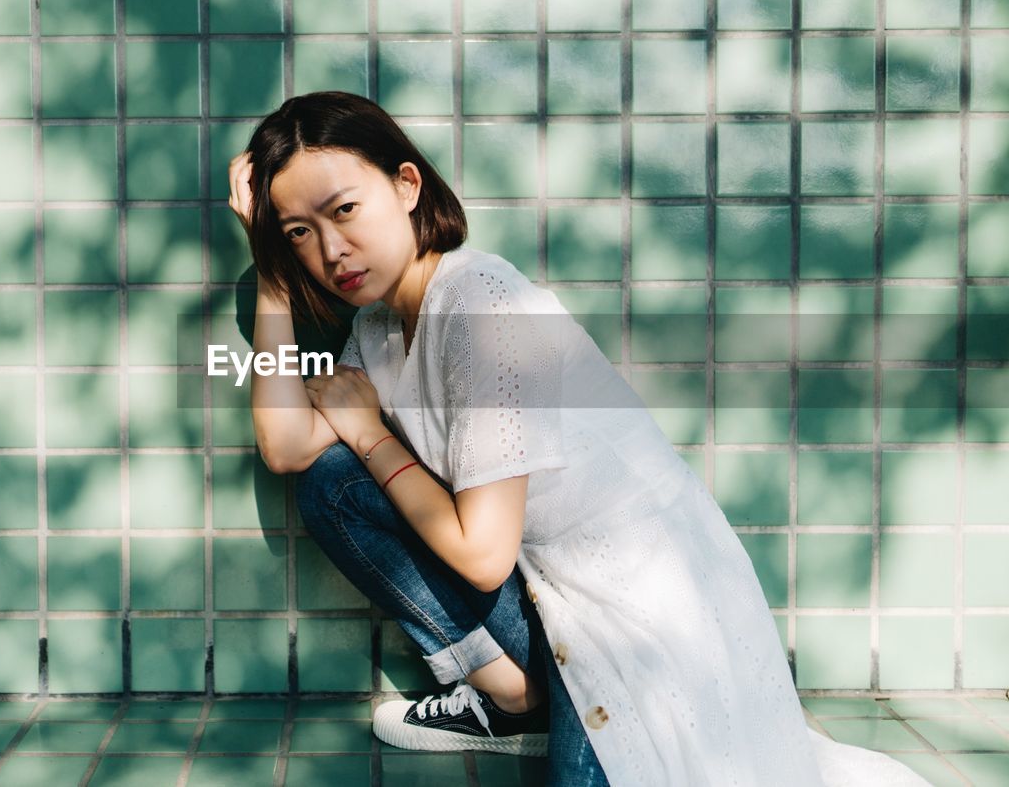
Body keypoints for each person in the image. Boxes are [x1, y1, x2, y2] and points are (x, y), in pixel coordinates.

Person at [228, 91, 930, 786]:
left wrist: (370, 431)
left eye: (343, 209)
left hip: (647, 623)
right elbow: (287, 446)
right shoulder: (377, 331)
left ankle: (585, 706)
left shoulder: (481, 303)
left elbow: (480, 553)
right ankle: (514, 701)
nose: (330, 249)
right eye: (298, 232)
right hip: (549, 601)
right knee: (332, 482)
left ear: (407, 185)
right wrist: (272, 280)